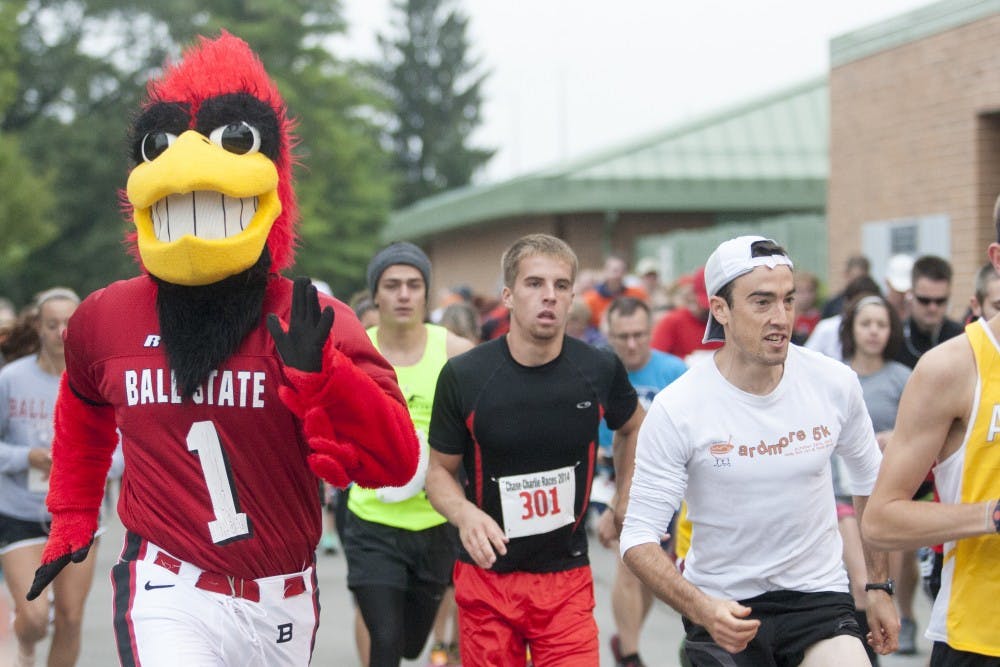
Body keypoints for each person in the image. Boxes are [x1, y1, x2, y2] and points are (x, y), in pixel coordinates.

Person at [26, 34, 419, 666]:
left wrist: (325, 382)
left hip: (280, 596)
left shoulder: (314, 319)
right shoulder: (106, 318)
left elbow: (394, 463)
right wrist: (72, 510)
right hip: (166, 581)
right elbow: (82, 400)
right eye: (161, 146)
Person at [621, 235, 899, 666]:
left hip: (818, 599)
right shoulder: (679, 407)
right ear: (721, 309)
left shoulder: (833, 382)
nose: (781, 317)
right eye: (762, 302)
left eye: (788, 301)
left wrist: (878, 586)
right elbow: (638, 537)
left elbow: (869, 480)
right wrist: (702, 609)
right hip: (724, 607)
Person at [426, 233, 644, 666]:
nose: (549, 296)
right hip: (487, 578)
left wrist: (625, 496)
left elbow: (634, 427)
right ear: (507, 295)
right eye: (534, 284)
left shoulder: (598, 368)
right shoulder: (465, 375)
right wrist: (465, 513)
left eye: (561, 286)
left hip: (565, 578)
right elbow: (438, 472)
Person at [862, 200, 1000, 666]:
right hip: (980, 638)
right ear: (997, 260)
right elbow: (881, 519)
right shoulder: (953, 367)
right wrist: (991, 516)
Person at [343, 242, 474, 667]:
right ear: (375, 295)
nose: (403, 294)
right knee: (385, 637)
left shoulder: (456, 352)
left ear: (426, 294)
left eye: (413, 285)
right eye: (392, 285)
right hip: (371, 522)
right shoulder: (353, 352)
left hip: (435, 523)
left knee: (411, 642)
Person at [0, 288, 117, 667]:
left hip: (77, 513)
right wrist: (28, 457)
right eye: (52, 324)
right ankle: (26, 641)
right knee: (34, 618)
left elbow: (123, 451)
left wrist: (79, 464)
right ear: (38, 327)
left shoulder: (96, 381)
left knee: (70, 619)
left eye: (69, 323)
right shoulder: (11, 380)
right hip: (19, 512)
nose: (61, 332)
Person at [596, 296, 686, 667]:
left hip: (666, 478)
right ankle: (631, 656)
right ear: (609, 336)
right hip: (609, 475)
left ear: (651, 333)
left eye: (639, 335)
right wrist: (616, 499)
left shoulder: (675, 372)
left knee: (653, 571)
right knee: (630, 560)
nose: (631, 345)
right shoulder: (598, 372)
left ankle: (625, 641)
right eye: (623, 337)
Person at [838, 293, 911, 662]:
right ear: (851, 328)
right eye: (866, 323)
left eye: (882, 325)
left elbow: (920, 434)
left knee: (883, 587)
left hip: (889, 497)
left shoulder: (903, 378)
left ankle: (875, 649)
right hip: (842, 495)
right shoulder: (834, 375)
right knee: (860, 583)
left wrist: (894, 438)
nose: (873, 332)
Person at [895, 255, 964, 369]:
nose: (933, 308)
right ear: (911, 294)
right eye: (924, 300)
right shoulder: (894, 338)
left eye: (940, 301)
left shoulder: (960, 337)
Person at [651, 267, 722, 367]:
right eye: (706, 305)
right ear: (692, 295)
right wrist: (686, 360)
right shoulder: (672, 321)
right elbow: (654, 360)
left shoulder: (727, 322)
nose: (709, 311)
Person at [803, 275, 882, 362]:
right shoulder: (826, 328)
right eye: (865, 324)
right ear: (846, 302)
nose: (873, 330)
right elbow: (806, 359)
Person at [582, 255, 648, 328]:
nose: (618, 275)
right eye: (615, 270)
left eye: (622, 271)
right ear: (605, 271)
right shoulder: (590, 299)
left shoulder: (637, 294)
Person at [821, 254, 871, 319]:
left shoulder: (873, 301)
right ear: (846, 274)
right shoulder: (833, 305)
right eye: (854, 278)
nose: (857, 283)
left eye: (861, 279)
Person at [791, 271, 821, 345]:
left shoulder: (820, 318)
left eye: (810, 291)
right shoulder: (785, 318)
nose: (806, 296)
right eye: (800, 291)